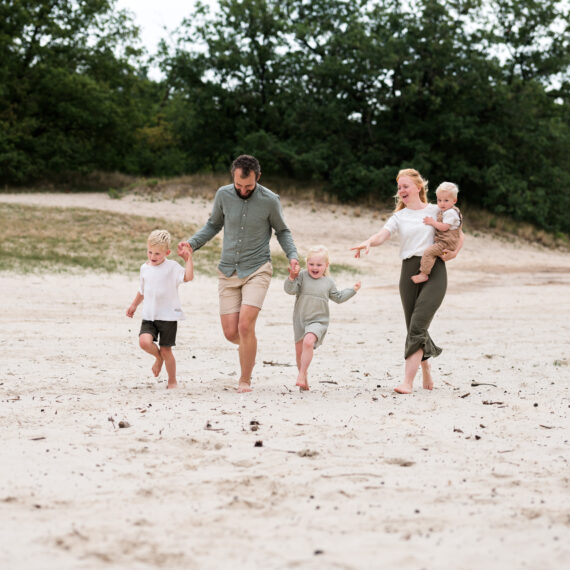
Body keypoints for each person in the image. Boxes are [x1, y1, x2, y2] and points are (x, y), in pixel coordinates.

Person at [178, 155, 299, 393]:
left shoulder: (270, 200)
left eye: (249, 186)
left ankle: (245, 379)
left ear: (258, 177)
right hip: (228, 270)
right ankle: (249, 347)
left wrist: (292, 256)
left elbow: (282, 231)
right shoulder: (223, 194)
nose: (243, 190)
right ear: (233, 177)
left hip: (257, 269)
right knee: (231, 332)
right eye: (239, 186)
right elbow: (213, 224)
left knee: (245, 326)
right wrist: (192, 244)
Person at [351, 169, 463, 394]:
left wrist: (455, 252)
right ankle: (425, 366)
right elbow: (382, 235)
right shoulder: (399, 217)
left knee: (418, 323)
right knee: (413, 325)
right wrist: (369, 243)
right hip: (409, 271)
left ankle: (407, 381)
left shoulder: (436, 209)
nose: (401, 190)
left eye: (405, 186)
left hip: (435, 271)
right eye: (399, 187)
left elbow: (459, 233)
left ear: (418, 188)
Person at [284, 245, 361, 391]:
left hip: (318, 321)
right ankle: (304, 381)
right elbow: (289, 290)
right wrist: (291, 278)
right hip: (300, 320)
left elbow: (338, 298)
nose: (315, 267)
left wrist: (353, 290)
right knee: (299, 352)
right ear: (307, 263)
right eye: (311, 264)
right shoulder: (301, 276)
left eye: (319, 265)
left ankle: (301, 374)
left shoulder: (328, 282)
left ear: (326, 265)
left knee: (309, 341)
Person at [126, 229, 194, 389]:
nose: (153, 256)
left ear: (167, 252)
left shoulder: (172, 267)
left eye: (157, 253)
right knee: (144, 342)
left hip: (168, 317)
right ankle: (158, 359)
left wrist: (188, 260)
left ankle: (172, 380)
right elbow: (142, 290)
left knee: (166, 350)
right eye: (150, 252)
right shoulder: (145, 268)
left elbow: (188, 277)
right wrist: (134, 305)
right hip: (149, 315)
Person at [411, 182, 462, 284]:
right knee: (436, 253)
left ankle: (424, 274)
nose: (442, 203)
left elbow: (444, 227)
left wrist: (432, 222)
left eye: (446, 200)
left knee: (428, 252)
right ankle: (437, 259)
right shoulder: (446, 210)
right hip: (446, 244)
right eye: (439, 200)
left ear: (454, 201)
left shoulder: (450, 213)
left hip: (446, 243)